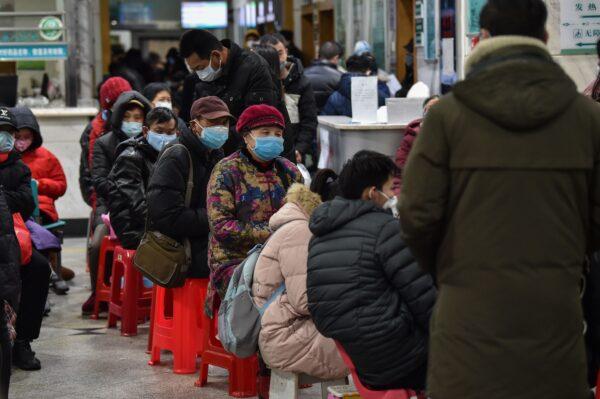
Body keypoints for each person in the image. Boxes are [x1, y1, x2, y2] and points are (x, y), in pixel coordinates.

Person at [398, 1, 600, 398]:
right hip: (555, 314)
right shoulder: (586, 118)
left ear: (482, 39)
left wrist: (451, 271)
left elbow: (416, 214)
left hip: (467, 317)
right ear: (544, 38)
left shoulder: (446, 117)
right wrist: (566, 258)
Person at [307, 150, 436, 391]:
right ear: (371, 193)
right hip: (403, 357)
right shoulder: (386, 230)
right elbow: (425, 300)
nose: (393, 195)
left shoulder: (319, 235)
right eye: (389, 189)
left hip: (358, 359)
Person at [206, 104, 302, 315]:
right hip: (235, 260)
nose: (273, 138)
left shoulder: (290, 172)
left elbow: (302, 217)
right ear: (247, 137)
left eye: (278, 134)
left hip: (282, 257)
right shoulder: (226, 171)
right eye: (265, 133)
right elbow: (221, 227)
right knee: (272, 289)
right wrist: (272, 235)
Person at [253, 182, 348, 382]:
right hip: (285, 335)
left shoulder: (289, 227)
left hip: (279, 329)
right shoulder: (300, 232)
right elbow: (304, 301)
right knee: (365, 347)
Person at [146, 97, 230, 282]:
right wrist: (215, 218)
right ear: (194, 124)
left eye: (224, 122)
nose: (220, 128)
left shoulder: (216, 153)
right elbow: (166, 217)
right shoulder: (177, 155)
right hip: (181, 247)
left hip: (205, 238)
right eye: (213, 122)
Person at [179, 29, 296, 160]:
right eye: (194, 70)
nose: (199, 74)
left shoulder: (254, 68)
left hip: (260, 155)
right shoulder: (206, 78)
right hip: (225, 156)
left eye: (200, 68)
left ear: (216, 55)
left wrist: (218, 142)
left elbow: (257, 122)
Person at [84, 91, 151, 314]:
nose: (133, 122)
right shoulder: (105, 143)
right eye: (128, 116)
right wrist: (125, 195)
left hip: (144, 206)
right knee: (96, 244)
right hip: (111, 208)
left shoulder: (149, 143)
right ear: (118, 117)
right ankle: (97, 293)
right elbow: (100, 181)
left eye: (138, 117)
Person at [0, 107, 51, 371]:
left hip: (11, 234)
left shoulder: (18, 167)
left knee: (40, 269)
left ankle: (23, 340)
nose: (5, 137)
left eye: (9, 132)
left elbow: (26, 201)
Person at [11, 106, 70, 294]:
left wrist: (40, 184)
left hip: (42, 210)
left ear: (34, 136)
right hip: (15, 209)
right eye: (17, 136)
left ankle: (48, 272)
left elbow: (61, 186)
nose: (21, 142)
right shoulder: (7, 158)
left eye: (26, 137)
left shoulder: (46, 157)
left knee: (36, 224)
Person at [108, 107, 178, 250]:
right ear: (146, 131)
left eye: (170, 133)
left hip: (157, 223)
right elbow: (138, 205)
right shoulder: (130, 158)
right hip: (133, 228)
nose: (165, 137)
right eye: (159, 132)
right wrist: (168, 226)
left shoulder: (171, 156)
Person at [260, 34, 318, 165]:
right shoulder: (259, 83)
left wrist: (299, 149)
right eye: (273, 55)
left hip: (293, 150)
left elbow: (309, 121)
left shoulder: (301, 83)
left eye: (280, 53)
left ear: (286, 52)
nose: (278, 59)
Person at [394, 95, 440, 193]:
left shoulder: (451, 135)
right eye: (431, 108)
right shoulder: (411, 137)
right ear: (424, 112)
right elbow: (400, 169)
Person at [305, 41, 344, 112]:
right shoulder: (341, 77)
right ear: (336, 58)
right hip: (332, 119)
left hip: (308, 119)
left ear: (318, 55)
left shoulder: (303, 74)